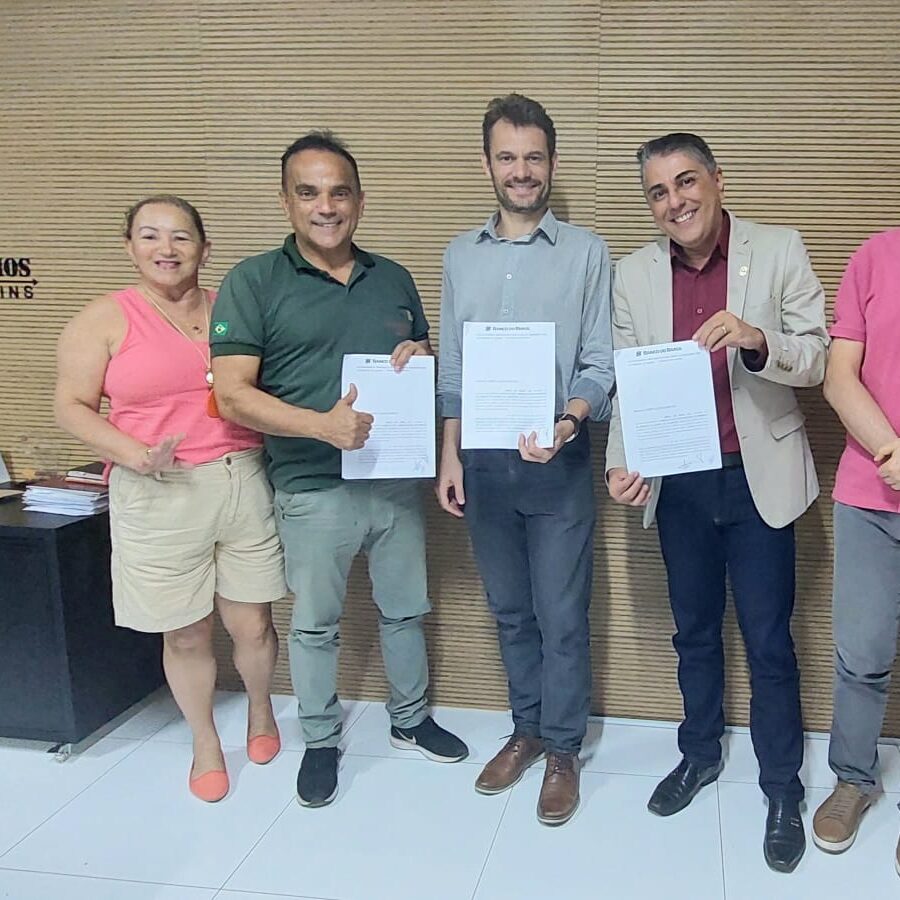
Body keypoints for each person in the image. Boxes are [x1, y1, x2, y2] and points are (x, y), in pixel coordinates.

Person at [210, 131, 468, 809]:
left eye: (339, 192)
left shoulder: (393, 277)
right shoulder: (253, 281)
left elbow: (419, 358)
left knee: (406, 611)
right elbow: (232, 394)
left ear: (359, 200)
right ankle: (321, 739)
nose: (326, 206)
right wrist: (320, 425)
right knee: (315, 624)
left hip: (394, 480)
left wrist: (418, 357)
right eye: (309, 192)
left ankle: (410, 719)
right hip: (312, 487)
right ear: (286, 201)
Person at [605, 133, 828, 872]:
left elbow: (817, 355)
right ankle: (698, 754)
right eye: (658, 192)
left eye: (686, 182)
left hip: (759, 476)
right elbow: (627, 380)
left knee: (768, 640)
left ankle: (781, 787)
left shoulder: (778, 247)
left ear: (717, 180)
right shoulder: (633, 274)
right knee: (694, 632)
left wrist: (758, 338)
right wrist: (620, 463)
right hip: (680, 482)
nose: (675, 201)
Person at [55, 195, 286, 803]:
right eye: (150, 236)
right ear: (130, 247)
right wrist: (134, 454)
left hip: (243, 477)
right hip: (158, 489)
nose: (166, 248)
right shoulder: (104, 319)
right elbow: (70, 406)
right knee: (185, 632)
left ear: (205, 249)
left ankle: (261, 711)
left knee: (253, 621)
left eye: (181, 236)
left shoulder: (232, 308)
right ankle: (205, 742)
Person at [436, 94, 614, 826]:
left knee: (562, 615)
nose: (521, 171)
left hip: (558, 463)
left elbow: (599, 363)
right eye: (507, 157)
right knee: (511, 612)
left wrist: (568, 422)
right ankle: (527, 730)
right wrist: (449, 455)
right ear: (487, 163)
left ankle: (563, 748)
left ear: (552, 163)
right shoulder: (459, 255)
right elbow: (452, 367)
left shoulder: (587, 252)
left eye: (533, 157)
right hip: (482, 464)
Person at [812, 228, 900, 876]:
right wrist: (893, 451)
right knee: (861, 651)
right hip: (870, 493)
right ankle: (852, 777)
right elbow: (839, 377)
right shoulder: (874, 256)